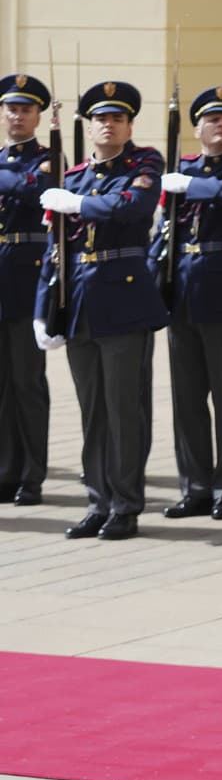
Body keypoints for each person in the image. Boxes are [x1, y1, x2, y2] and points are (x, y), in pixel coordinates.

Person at [36, 81, 167, 541]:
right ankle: (98, 499)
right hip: (79, 305)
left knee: (123, 409)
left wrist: (81, 204)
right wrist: (42, 311)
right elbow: (56, 252)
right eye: (100, 119)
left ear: (129, 125)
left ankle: (126, 505)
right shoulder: (71, 177)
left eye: (116, 118)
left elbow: (133, 207)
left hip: (124, 302)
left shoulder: (144, 164)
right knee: (92, 411)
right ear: (89, 128)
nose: (107, 125)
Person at [153, 86, 222, 522]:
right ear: (196, 128)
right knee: (187, 399)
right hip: (183, 293)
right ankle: (194, 486)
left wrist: (193, 185)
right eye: (211, 120)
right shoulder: (178, 171)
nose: (220, 125)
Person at [0, 72, 53, 507]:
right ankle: (4, 470)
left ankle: (31, 475)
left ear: (38, 116)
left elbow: (29, 189)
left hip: (25, 280)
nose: (17, 115)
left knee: (26, 383)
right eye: (11, 108)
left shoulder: (47, 159)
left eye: (25, 109)